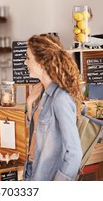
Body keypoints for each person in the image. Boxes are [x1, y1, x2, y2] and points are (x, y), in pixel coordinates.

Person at [23, 34, 83, 181]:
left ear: (42, 63)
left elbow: (74, 153)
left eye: (28, 58)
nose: (25, 62)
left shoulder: (61, 99)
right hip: (32, 171)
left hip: (48, 177)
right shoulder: (41, 93)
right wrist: (30, 104)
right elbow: (38, 132)